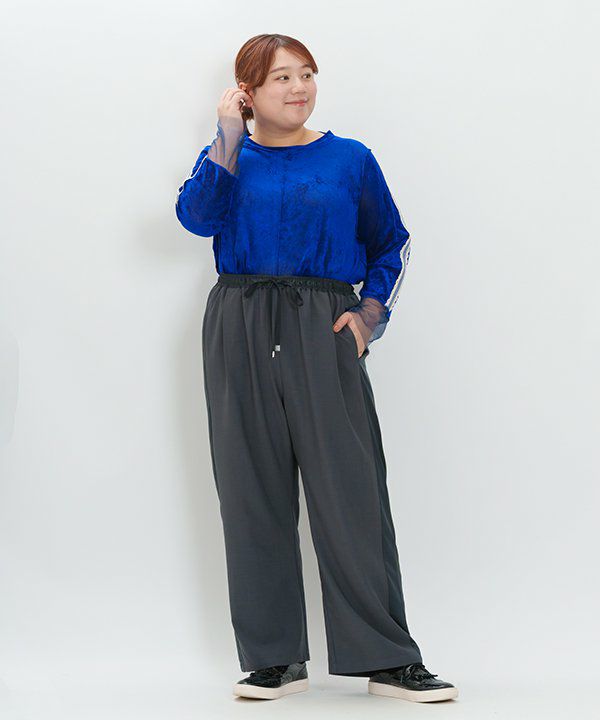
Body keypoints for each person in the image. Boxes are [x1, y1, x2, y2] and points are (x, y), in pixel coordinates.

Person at [175, 33, 458, 704]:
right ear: (247, 91)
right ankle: (275, 659)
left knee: (349, 489)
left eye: (306, 74)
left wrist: (367, 316)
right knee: (250, 489)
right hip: (239, 321)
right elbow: (196, 219)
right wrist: (227, 134)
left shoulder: (349, 158)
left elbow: (392, 243)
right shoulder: (226, 157)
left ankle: (388, 658)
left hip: (322, 325)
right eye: (281, 78)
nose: (299, 88)